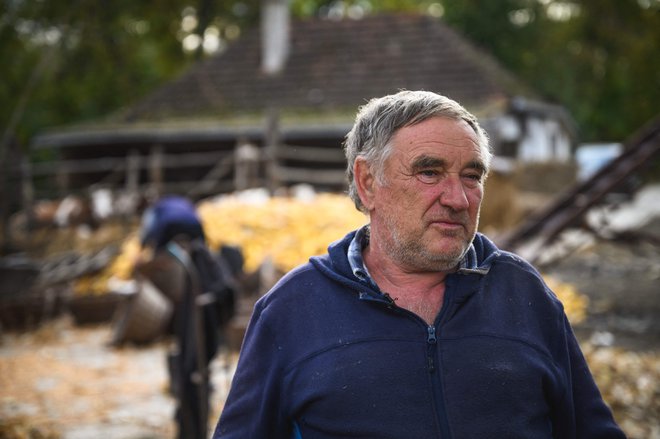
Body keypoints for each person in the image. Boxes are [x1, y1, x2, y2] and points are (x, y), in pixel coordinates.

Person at [212, 91, 625, 438]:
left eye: (471, 176)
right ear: (368, 182)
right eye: (430, 172)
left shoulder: (523, 294)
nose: (458, 199)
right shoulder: (293, 310)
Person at [137, 195, 236, 439]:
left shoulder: (156, 212)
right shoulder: (185, 209)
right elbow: (201, 233)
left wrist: (148, 251)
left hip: (174, 244)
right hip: (194, 237)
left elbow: (150, 234)